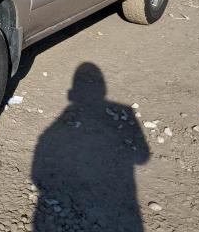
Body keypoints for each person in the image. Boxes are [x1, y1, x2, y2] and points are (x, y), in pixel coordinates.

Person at [31, 62, 149, 231]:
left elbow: (38, 172)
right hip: (118, 202)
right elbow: (143, 157)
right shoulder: (124, 111)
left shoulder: (58, 127)